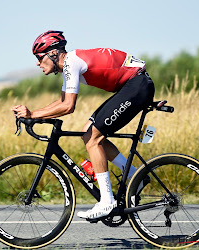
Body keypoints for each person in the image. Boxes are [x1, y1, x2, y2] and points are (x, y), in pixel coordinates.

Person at [12, 30, 155, 220]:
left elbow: (68, 107)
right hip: (133, 85)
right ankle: (135, 176)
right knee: (87, 133)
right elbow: (62, 101)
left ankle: (107, 202)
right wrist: (34, 115)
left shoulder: (71, 62)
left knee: (93, 139)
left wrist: (32, 114)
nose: (37, 63)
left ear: (53, 53)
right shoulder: (70, 64)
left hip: (136, 86)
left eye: (39, 57)